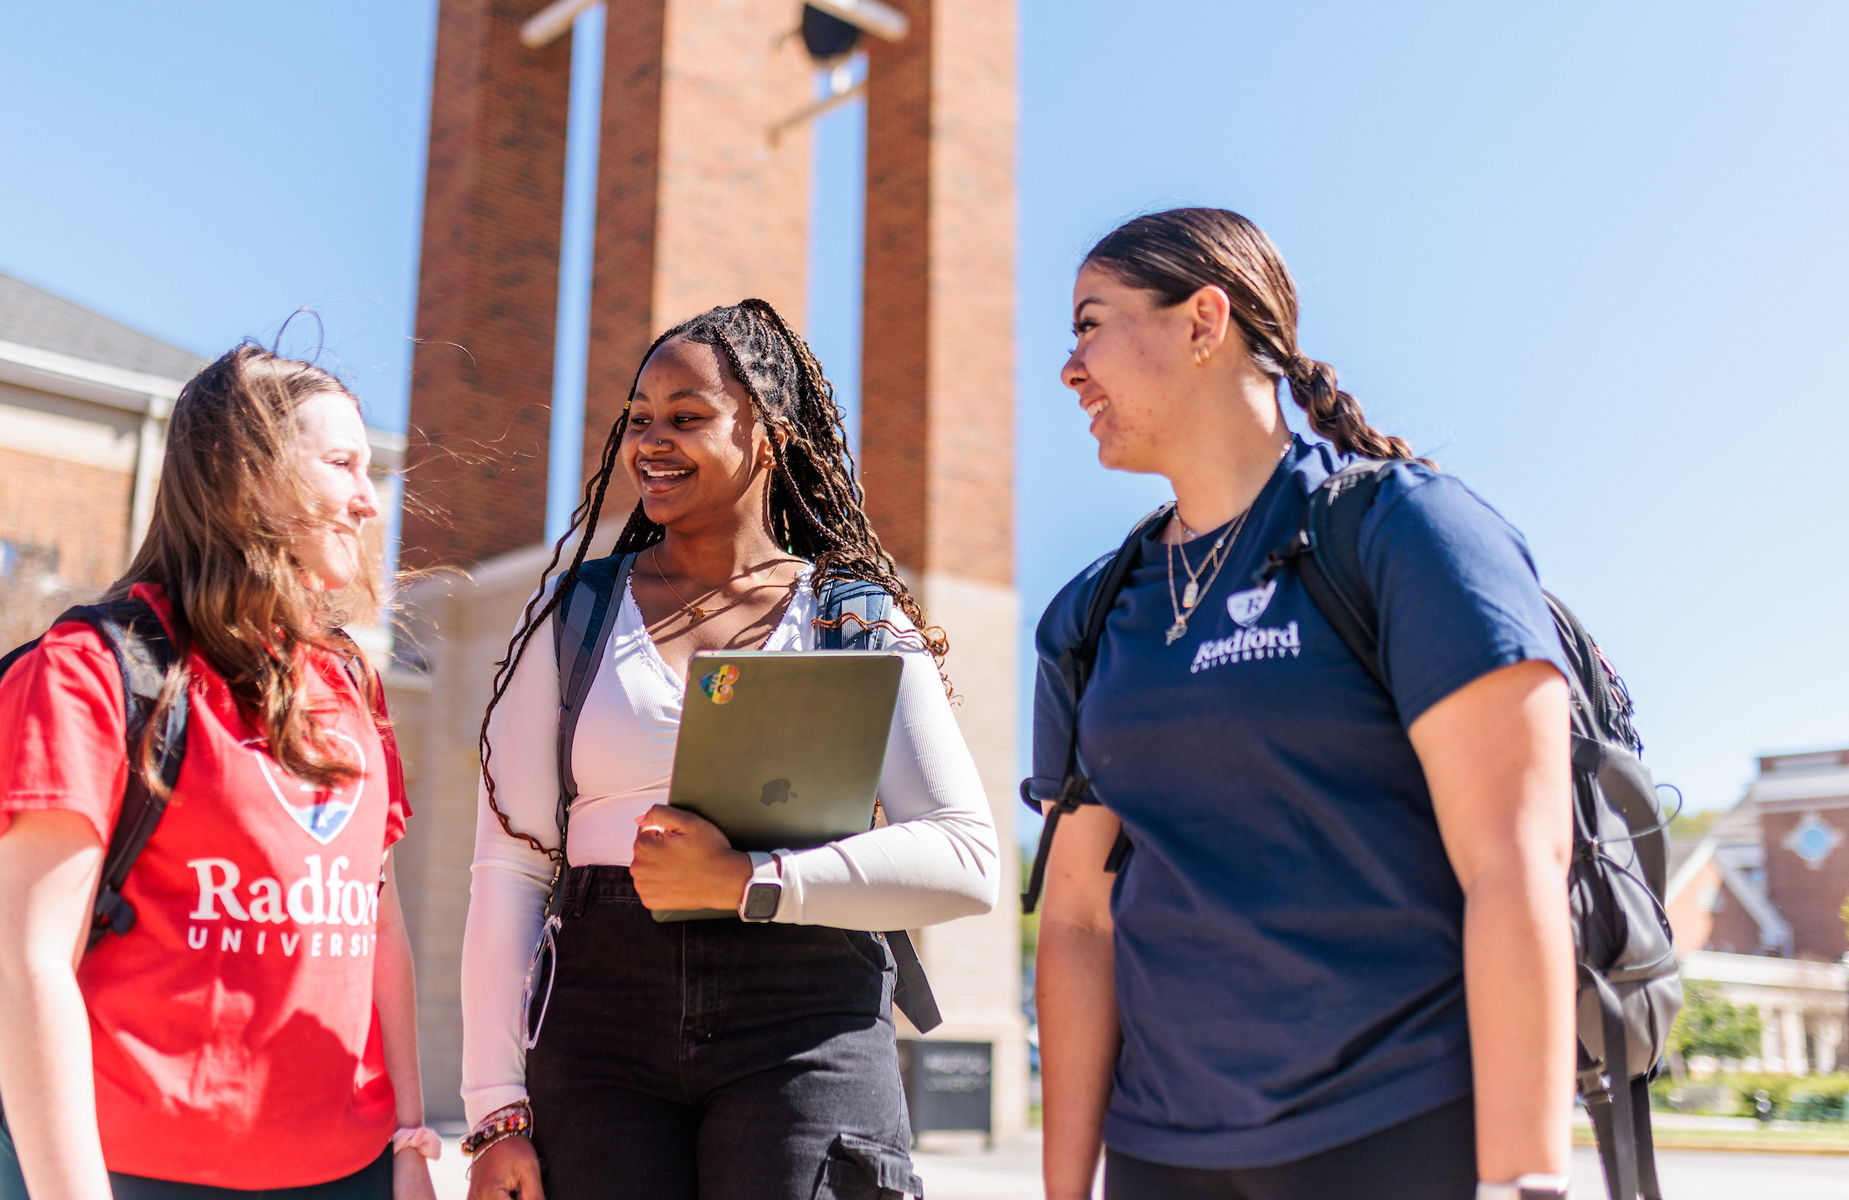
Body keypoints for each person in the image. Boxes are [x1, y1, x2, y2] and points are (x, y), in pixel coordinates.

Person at [1033, 210, 1576, 1200]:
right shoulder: (1093, 614)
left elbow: (1516, 859)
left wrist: (1526, 1181)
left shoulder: (1405, 532)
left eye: (1091, 323)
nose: (1070, 368)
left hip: (1399, 1123)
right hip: (1165, 1151)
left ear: (1205, 321)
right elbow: (1077, 920)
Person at [462, 299, 999, 1200]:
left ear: (769, 438)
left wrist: (752, 879)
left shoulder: (851, 617)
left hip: (808, 1016)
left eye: (687, 418)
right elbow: (508, 869)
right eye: (639, 419)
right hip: (601, 1024)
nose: (651, 443)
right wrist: (495, 1111)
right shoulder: (575, 615)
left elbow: (967, 857)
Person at [0, 345, 436, 1200]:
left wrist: (410, 1139)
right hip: (137, 1173)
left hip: (351, 1175)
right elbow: (28, 965)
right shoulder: (88, 671)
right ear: (241, 473)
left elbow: (378, 925)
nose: (369, 501)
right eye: (341, 464)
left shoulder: (349, 683)